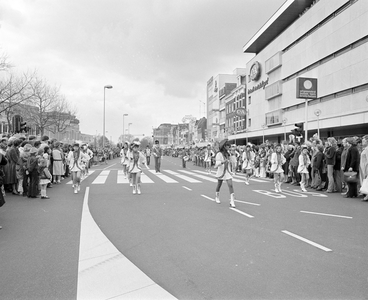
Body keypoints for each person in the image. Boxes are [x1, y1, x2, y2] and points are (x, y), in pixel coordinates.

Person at [214, 139, 236, 208]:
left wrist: (232, 156)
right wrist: (223, 162)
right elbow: (217, 163)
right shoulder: (219, 154)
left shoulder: (228, 154)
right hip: (221, 171)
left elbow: (232, 161)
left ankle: (232, 201)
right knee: (219, 184)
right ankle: (217, 197)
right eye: (227, 146)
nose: (228, 147)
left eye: (229, 146)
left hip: (227, 171)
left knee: (230, 185)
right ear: (224, 146)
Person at [359, 135, 368, 201]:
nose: (362, 142)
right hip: (363, 167)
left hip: (366, 168)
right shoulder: (365, 149)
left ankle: (367, 196)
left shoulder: (367, 149)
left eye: (363, 140)